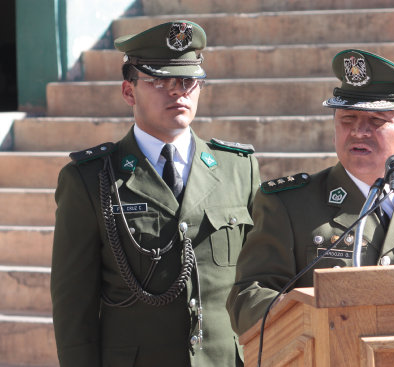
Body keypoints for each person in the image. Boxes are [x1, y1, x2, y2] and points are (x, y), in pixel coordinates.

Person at [226, 49, 394, 335]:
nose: (358, 131)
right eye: (347, 119)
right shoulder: (288, 204)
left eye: (376, 121)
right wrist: (326, 316)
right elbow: (248, 302)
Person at [51, 20, 260, 366]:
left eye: (188, 81)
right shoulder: (91, 179)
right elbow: (74, 306)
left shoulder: (239, 168)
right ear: (128, 91)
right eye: (160, 80)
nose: (177, 91)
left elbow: (260, 280)